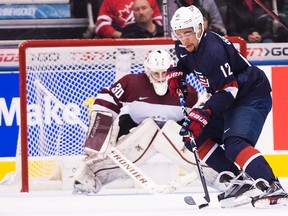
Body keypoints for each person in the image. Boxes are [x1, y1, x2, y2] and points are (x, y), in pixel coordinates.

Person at [167, 5, 288, 208]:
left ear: (199, 27)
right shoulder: (183, 45)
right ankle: (240, 181)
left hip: (250, 95)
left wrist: (204, 112)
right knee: (193, 137)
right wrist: (178, 71)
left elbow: (229, 90)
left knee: (235, 143)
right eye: (178, 34)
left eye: (187, 32)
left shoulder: (213, 51)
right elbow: (187, 61)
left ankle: (273, 188)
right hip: (228, 98)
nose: (183, 39)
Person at [72, 49, 229, 195]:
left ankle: (221, 177)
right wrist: (99, 136)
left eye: (164, 73)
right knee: (149, 127)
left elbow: (196, 123)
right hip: (136, 129)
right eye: (156, 73)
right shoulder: (131, 83)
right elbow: (106, 100)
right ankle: (89, 176)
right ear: (148, 71)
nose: (161, 77)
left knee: (184, 140)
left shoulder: (187, 92)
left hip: (171, 133)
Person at [95, 0, 163, 38]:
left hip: (151, 41)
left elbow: (158, 22)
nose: (141, 12)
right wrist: (124, 37)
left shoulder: (150, 1)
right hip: (122, 44)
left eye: (144, 8)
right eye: (137, 10)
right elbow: (101, 25)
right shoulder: (110, 1)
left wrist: (147, 36)